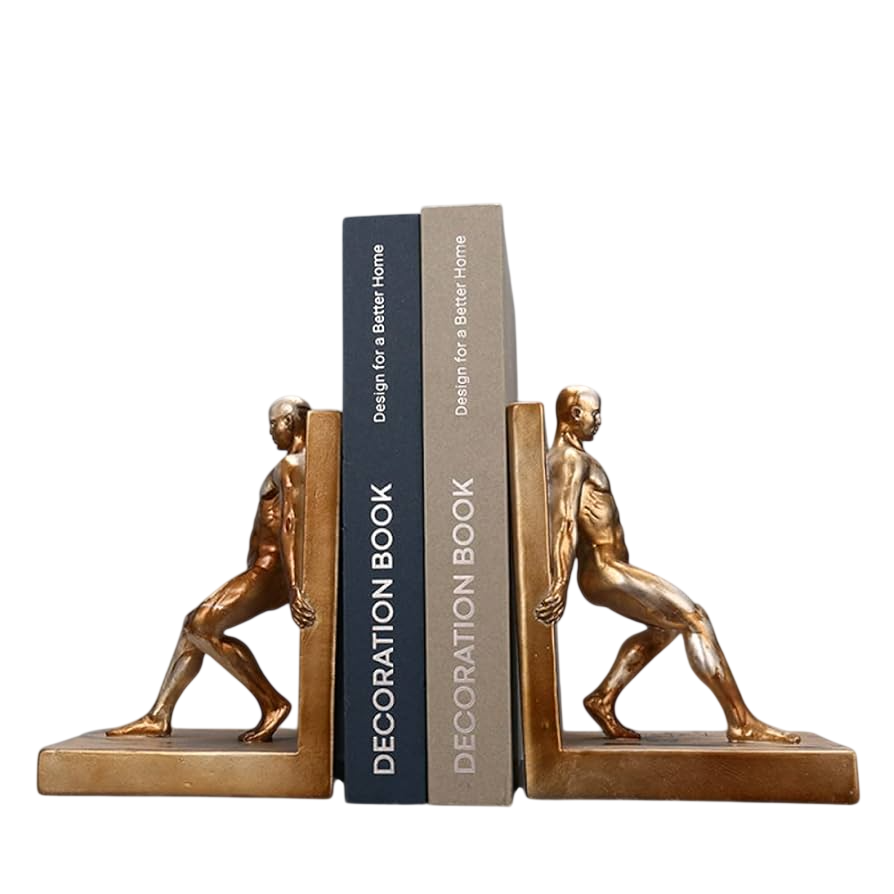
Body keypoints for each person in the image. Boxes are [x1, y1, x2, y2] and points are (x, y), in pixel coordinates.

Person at [535, 385, 799, 744]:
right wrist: (558, 585)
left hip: (610, 568)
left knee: (665, 627)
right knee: (695, 618)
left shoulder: (573, 457)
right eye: (594, 413)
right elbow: (564, 522)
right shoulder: (569, 459)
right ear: (575, 414)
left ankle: (603, 698)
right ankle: (741, 721)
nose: (599, 420)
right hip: (605, 570)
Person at [107, 396, 316, 743]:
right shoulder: (295, 463)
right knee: (192, 625)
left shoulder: (292, 464)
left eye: (273, 424)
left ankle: (272, 703)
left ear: (291, 422)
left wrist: (294, 588)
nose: (270, 432)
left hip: (271, 573)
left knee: (200, 625)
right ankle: (159, 715)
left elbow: (290, 525)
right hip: (265, 570)